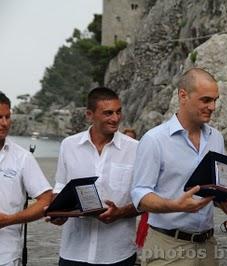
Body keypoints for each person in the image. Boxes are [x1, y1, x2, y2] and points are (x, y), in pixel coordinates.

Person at [131, 68, 224, 266]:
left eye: (215, 100)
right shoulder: (154, 140)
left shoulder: (216, 138)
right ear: (183, 95)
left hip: (208, 245)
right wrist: (174, 206)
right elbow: (140, 194)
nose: (213, 106)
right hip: (167, 246)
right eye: (206, 100)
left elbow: (219, 184)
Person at [50, 87, 141, 265]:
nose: (115, 118)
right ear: (89, 115)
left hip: (117, 254)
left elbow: (145, 199)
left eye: (118, 112)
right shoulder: (69, 145)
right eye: (108, 113)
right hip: (73, 253)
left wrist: (120, 213)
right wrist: (58, 213)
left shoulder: (136, 149)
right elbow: (60, 187)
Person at [0, 92, 52, 266]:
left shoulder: (23, 158)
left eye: (7, 117)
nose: (4, 123)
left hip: (6, 256)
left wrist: (9, 220)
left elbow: (45, 200)